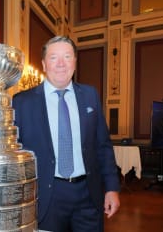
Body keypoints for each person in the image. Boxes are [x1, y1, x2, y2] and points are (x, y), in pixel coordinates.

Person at [12, 36, 120, 232]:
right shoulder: (21, 102)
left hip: (88, 194)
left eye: (67, 56)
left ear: (75, 62)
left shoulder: (90, 95)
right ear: (44, 64)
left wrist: (112, 188)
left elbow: (103, 145)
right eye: (54, 58)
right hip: (46, 197)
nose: (61, 64)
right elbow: (14, 156)